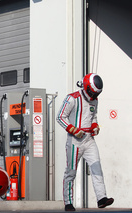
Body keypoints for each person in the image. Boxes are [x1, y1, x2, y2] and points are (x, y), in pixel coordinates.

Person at [57, 73, 114, 211]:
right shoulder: (72, 98)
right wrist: (72, 129)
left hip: (89, 139)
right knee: (71, 172)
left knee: (97, 168)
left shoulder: (95, 100)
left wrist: (95, 126)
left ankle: (101, 198)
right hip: (74, 140)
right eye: (92, 93)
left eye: (96, 94)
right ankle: (68, 203)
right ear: (87, 87)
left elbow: (93, 117)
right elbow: (60, 117)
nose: (94, 97)